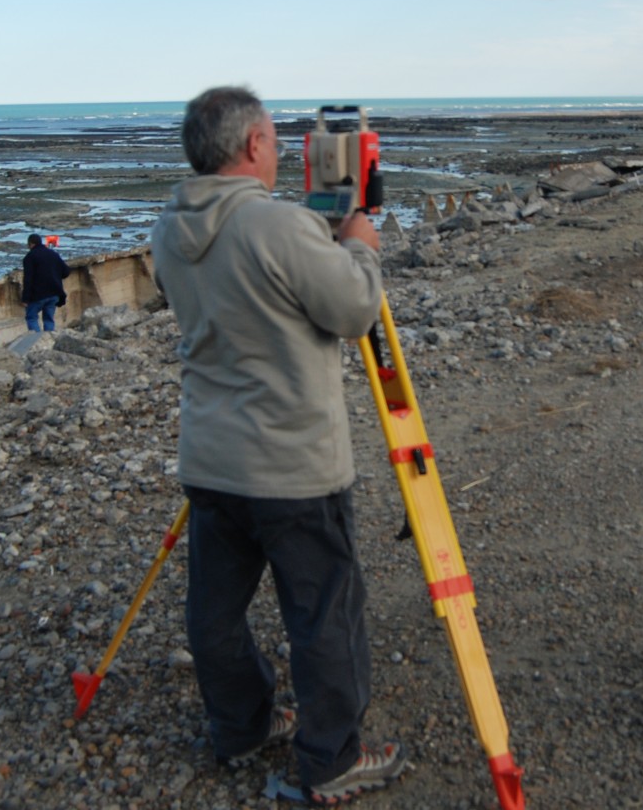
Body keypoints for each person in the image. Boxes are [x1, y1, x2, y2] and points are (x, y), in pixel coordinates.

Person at [149, 85, 407, 804]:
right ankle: (331, 758)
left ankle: (240, 723)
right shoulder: (278, 228)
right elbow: (354, 310)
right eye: (274, 139)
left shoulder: (170, 229)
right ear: (253, 146)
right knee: (324, 612)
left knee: (216, 610)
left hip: (211, 456)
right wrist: (359, 245)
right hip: (294, 464)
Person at [21, 233, 70, 331]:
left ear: (30, 244)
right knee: (48, 319)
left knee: (31, 318)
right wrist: (55, 276)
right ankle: (49, 340)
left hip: (38, 295)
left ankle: (37, 341)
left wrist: (25, 299)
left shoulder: (30, 257)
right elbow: (66, 271)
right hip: (54, 293)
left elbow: (28, 279)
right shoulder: (53, 254)